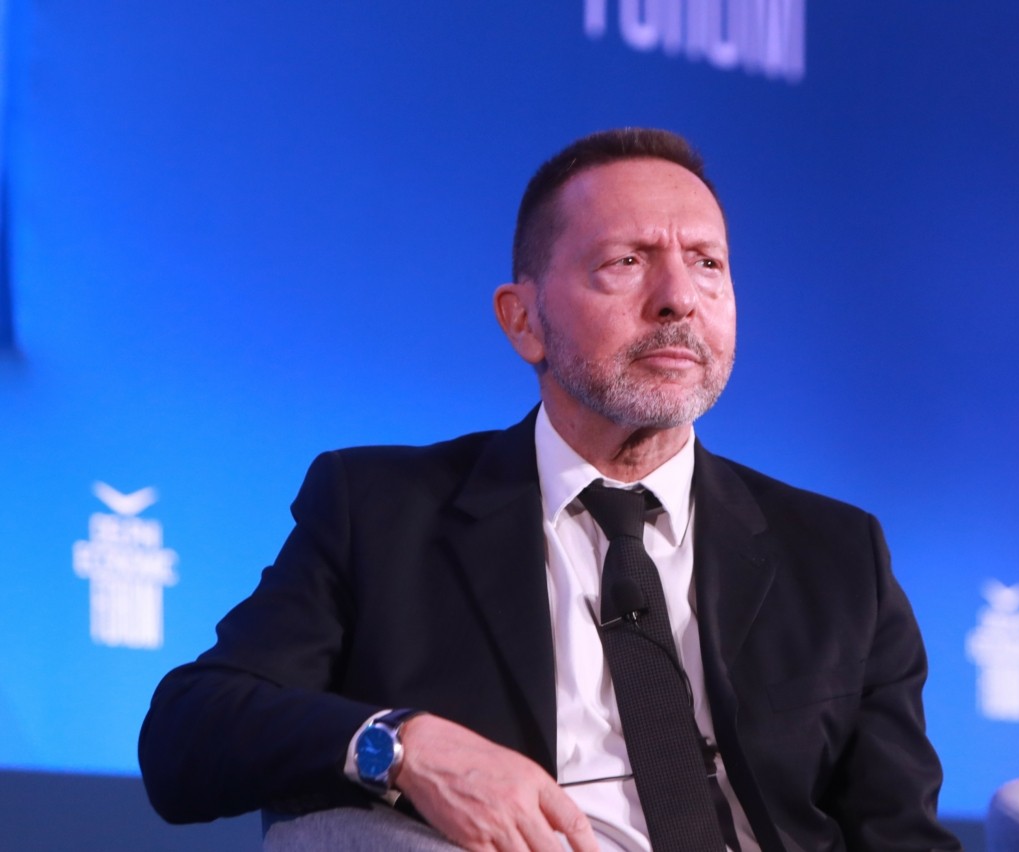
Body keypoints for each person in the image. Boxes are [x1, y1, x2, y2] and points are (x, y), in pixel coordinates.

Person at [139, 128, 960, 852]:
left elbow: (901, 833)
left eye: (708, 264)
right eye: (627, 262)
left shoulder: (837, 554)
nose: (679, 298)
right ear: (522, 320)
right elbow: (189, 733)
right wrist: (404, 745)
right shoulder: (383, 512)